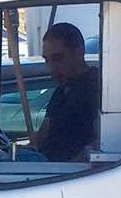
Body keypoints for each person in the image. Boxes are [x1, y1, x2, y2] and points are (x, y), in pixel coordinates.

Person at [34, 22, 99, 162]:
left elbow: (100, 143)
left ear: (79, 52)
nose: (51, 68)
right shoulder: (60, 92)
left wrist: (69, 170)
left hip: (74, 178)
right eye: (47, 60)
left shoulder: (96, 89)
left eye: (58, 58)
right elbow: (43, 135)